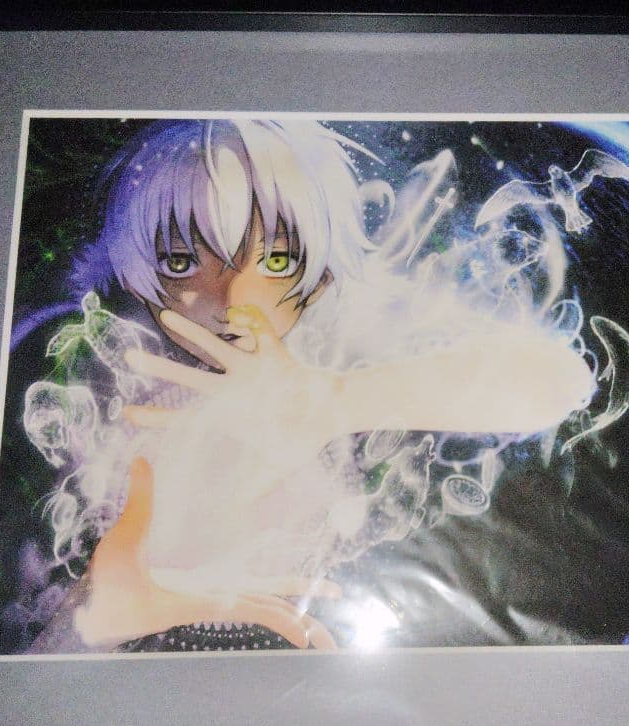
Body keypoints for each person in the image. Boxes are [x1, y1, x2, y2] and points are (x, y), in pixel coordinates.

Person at [30, 118, 595, 654]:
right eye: (182, 261)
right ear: (139, 278)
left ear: (319, 279)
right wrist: (92, 623)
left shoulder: (349, 359)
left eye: (276, 260)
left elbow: (562, 382)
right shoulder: (102, 410)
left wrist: (337, 402)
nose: (235, 299)